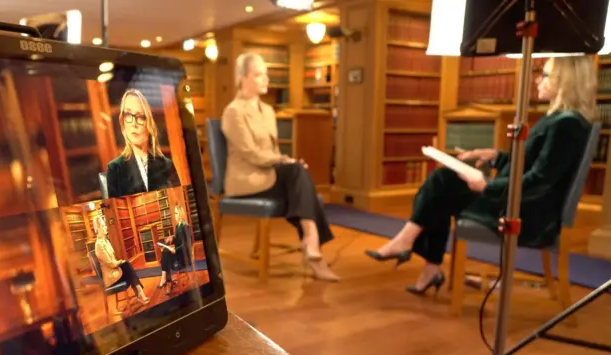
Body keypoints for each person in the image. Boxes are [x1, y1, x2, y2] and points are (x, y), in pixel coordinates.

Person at [365, 55, 597, 295]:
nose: (537, 80)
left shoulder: (566, 125)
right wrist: (494, 156)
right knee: (442, 185)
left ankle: (410, 245)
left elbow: (540, 180)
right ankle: (427, 264)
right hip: (517, 200)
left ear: (565, 81)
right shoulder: (558, 120)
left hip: (523, 212)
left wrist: (487, 187)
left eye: (545, 75)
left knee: (441, 184)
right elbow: (526, 164)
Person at [221, 53, 339, 282]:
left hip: (269, 175)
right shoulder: (233, 111)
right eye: (259, 74)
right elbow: (251, 154)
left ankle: (311, 243)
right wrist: (284, 162)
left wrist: (286, 162)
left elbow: (272, 153)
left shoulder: (268, 110)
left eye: (266, 74)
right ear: (243, 78)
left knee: (298, 172)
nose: (266, 79)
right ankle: (313, 245)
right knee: (298, 176)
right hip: (247, 180)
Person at [105, 88, 181, 198]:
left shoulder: (167, 165)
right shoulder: (114, 169)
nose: (133, 124)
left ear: (149, 124)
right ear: (123, 123)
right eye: (128, 115)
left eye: (140, 116)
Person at [91, 215, 149, 307]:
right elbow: (111, 264)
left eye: (105, 225)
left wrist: (120, 262)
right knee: (127, 266)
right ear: (98, 229)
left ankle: (140, 294)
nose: (106, 227)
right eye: (103, 226)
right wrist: (120, 262)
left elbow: (113, 260)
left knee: (127, 267)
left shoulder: (106, 241)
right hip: (110, 277)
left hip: (115, 271)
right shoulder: (99, 245)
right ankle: (140, 294)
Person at [158, 204, 193, 295]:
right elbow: (178, 240)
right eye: (175, 213)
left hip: (183, 255)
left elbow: (187, 244)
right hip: (178, 253)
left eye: (176, 213)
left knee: (165, 256)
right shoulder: (178, 226)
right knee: (165, 253)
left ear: (181, 214)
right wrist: (172, 239)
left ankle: (166, 280)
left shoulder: (185, 227)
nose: (175, 215)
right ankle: (166, 280)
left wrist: (176, 250)